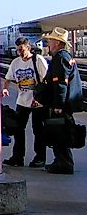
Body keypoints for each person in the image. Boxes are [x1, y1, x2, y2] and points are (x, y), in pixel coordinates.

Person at [1, 37, 48, 167]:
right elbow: (8, 78)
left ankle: (40, 157)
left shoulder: (38, 60)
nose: (20, 53)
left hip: (37, 102)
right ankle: (17, 157)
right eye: (18, 51)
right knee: (18, 128)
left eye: (22, 50)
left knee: (38, 130)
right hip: (22, 101)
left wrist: (38, 97)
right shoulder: (15, 62)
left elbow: (45, 81)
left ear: (28, 48)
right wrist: (5, 88)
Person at [40, 27, 78, 174]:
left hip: (61, 103)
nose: (48, 43)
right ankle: (60, 161)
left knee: (60, 133)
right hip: (63, 102)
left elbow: (61, 83)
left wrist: (58, 105)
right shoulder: (65, 56)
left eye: (50, 40)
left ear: (57, 42)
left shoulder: (60, 58)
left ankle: (64, 164)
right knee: (60, 132)